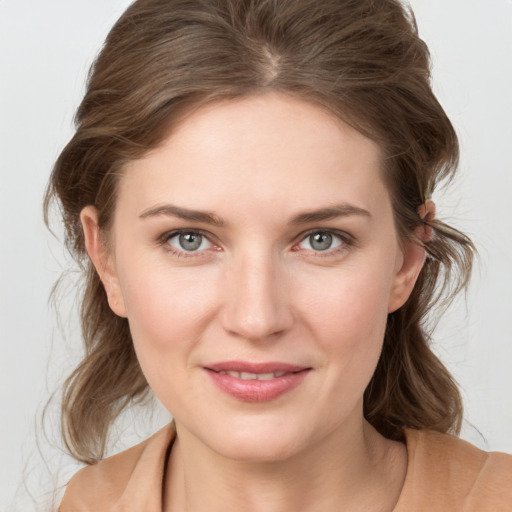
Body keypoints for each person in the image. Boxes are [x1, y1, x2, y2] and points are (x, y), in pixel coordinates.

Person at [43, 0, 512, 510]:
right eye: (189, 239)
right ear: (106, 260)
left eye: (321, 239)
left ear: (405, 259)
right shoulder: (87, 503)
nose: (256, 318)